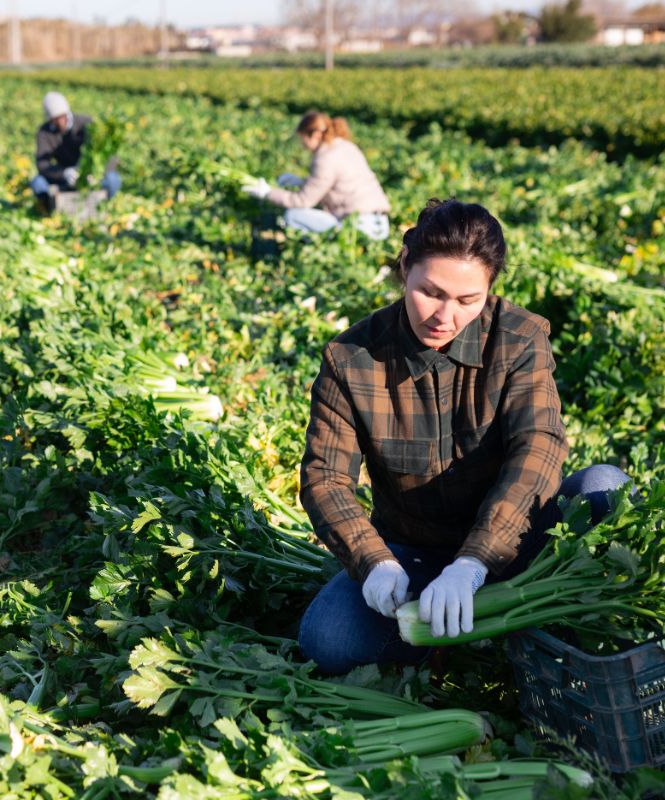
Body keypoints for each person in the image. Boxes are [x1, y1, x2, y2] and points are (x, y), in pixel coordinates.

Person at [297, 198, 629, 675]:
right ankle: (485, 631)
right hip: (415, 553)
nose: (444, 316)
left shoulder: (518, 337)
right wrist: (373, 561)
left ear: (489, 289)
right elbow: (326, 478)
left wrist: (476, 561)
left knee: (605, 488)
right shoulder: (352, 358)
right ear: (405, 266)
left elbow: (539, 446)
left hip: (519, 540)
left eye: (467, 300)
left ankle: (495, 618)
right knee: (329, 640)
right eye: (430, 292)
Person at [241, 111, 391, 241]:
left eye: (303, 139)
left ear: (315, 135)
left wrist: (268, 193)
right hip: (380, 225)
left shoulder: (325, 158)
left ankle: (319, 254)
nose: (303, 145)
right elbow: (333, 184)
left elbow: (302, 201)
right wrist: (301, 182)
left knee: (293, 216)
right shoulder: (345, 146)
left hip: (358, 229)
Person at [31, 92, 122, 213]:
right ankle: (51, 210)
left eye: (62, 117)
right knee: (38, 183)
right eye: (55, 119)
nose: (60, 122)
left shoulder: (87, 124)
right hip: (65, 177)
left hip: (90, 176)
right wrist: (63, 173)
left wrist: (96, 173)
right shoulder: (45, 133)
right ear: (50, 119)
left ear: (67, 113)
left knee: (113, 180)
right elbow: (42, 164)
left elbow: (110, 156)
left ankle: (103, 206)